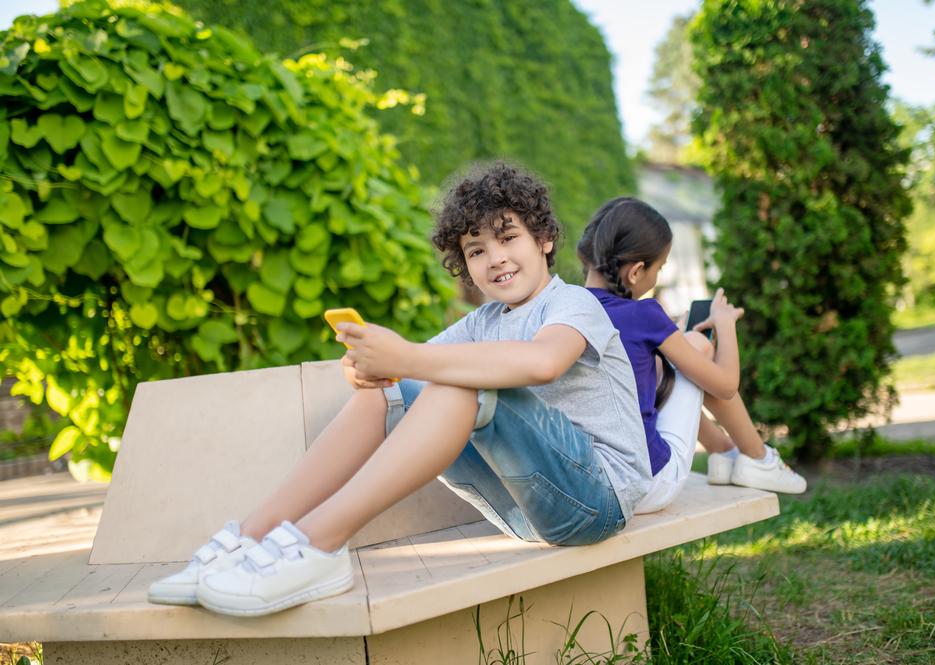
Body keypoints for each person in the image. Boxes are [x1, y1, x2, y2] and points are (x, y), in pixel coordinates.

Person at [148, 164, 650, 616]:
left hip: (597, 502)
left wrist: (406, 358)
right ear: (464, 265)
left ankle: (316, 545)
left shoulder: (575, 304)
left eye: (508, 239)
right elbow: (405, 378)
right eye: (477, 251)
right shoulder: (483, 321)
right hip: (521, 511)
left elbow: (544, 362)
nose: (496, 259)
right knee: (391, 391)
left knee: (459, 384)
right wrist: (368, 371)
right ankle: (252, 538)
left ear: (542, 239)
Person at [576, 197, 806, 514]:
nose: (657, 277)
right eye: (660, 268)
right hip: (647, 483)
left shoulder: (566, 310)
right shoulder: (644, 314)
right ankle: (759, 459)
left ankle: (723, 453)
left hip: (589, 482)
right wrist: (724, 326)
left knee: (667, 358)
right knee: (698, 346)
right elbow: (725, 385)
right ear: (637, 271)